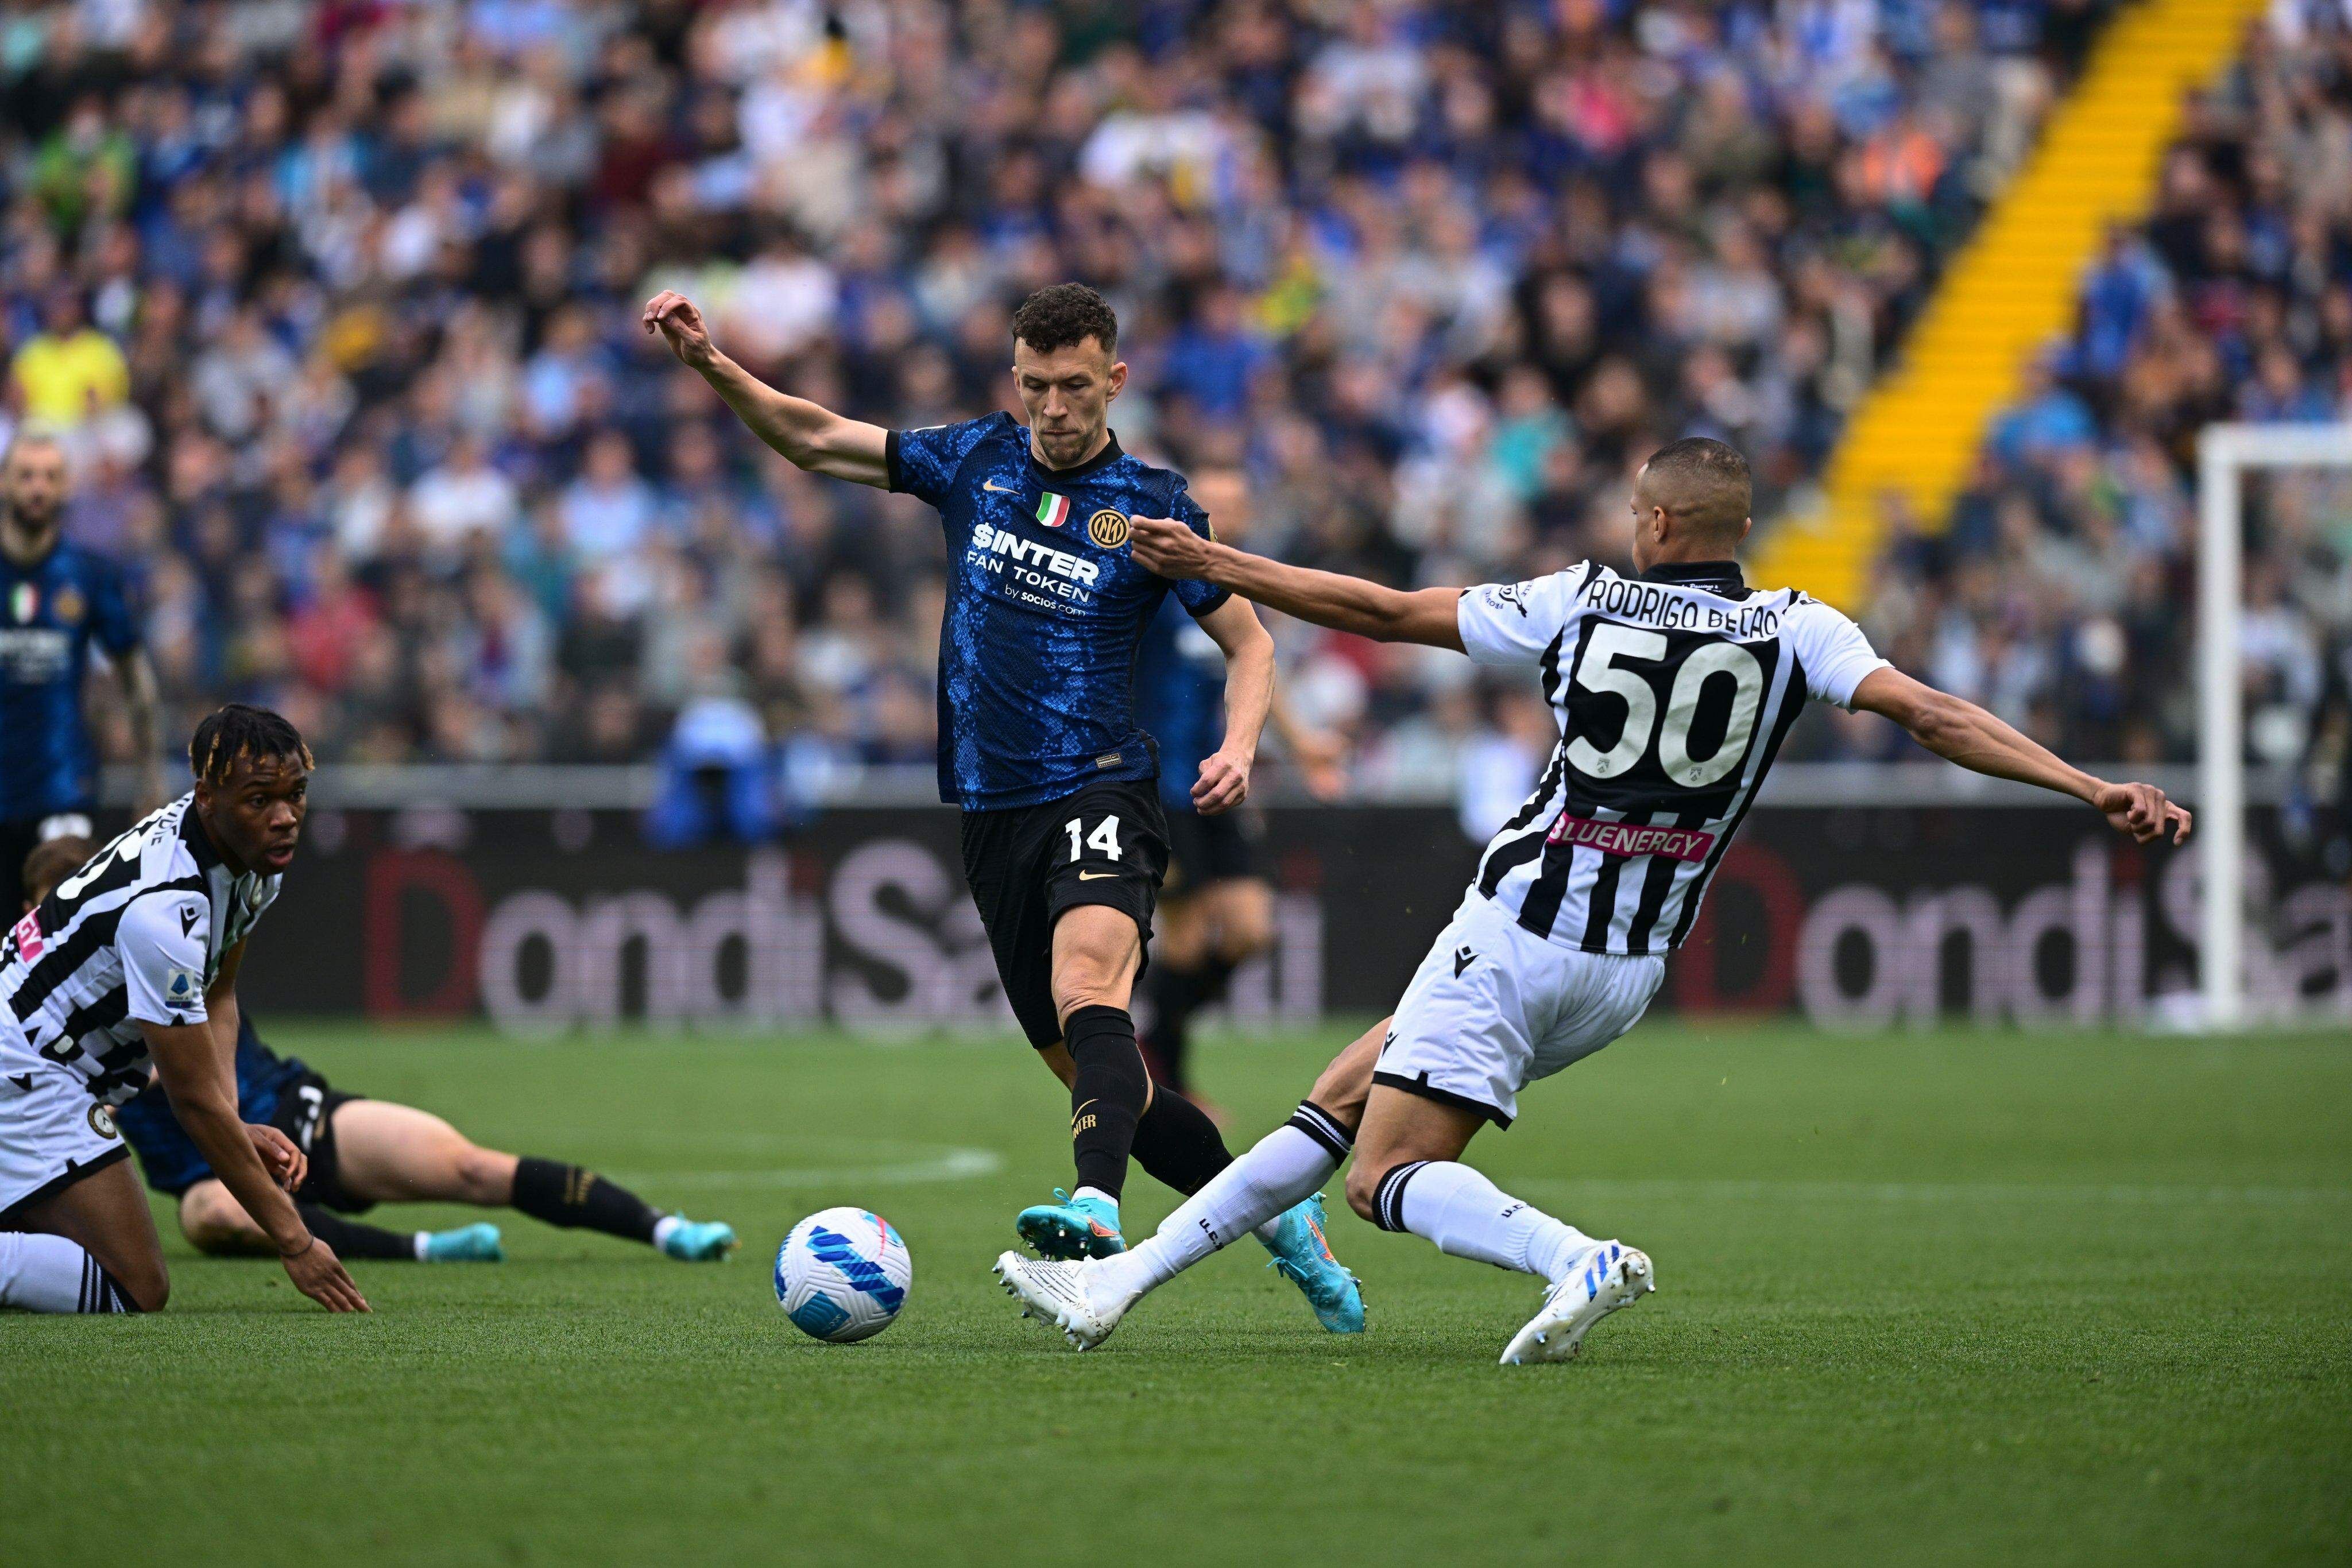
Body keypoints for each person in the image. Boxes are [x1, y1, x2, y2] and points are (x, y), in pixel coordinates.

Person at [994, 438, 2192, 1361]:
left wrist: (1217, 565)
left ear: (1658, 523)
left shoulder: (1583, 600)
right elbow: (1933, 715)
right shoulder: (1797, 629)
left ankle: (1577, 1259)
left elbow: (1379, 610)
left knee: (1379, 1177)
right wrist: (2083, 785)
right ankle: (1115, 1285)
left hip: (1516, 929)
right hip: (1624, 973)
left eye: (1636, 511)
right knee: (1338, 1096)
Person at [643, 280, 1359, 1331]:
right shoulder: (971, 460)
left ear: (1113, 380)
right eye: (1035, 386)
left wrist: (1241, 745)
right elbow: (809, 439)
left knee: (1088, 985)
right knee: (1114, 1084)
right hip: (990, 812)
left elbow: (1247, 641)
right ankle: (1282, 1220)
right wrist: (711, 364)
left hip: (1104, 782)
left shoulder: (1155, 501)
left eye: (1074, 387)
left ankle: (1093, 1209)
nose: (1054, 409)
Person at [18, 837, 736, 1270]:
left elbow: (217, 1013)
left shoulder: (169, 931)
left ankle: (666, 1229)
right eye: (48, 909)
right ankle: (423, 1248)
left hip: (298, 1117)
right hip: (217, 1174)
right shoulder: (48, 1023)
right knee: (209, 1216)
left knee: (469, 1165)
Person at [0, 704, 366, 1313]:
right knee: (136, 1286)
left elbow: (218, 992)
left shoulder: (248, 858)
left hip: (42, 1061)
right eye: (259, 799)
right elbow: (189, 1098)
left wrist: (234, 1120)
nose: (285, 817)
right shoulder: (163, 912)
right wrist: (295, 1240)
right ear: (206, 797)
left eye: (296, 793)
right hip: (26, 1065)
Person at [1132, 463, 1345, 1108]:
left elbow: (1249, 665)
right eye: (1209, 504)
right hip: (1161, 788)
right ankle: (1171, 1082)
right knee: (1189, 938)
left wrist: (1303, 743)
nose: (1220, 515)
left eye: (1233, 504)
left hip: (1220, 777)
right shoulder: (1156, 584)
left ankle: (1150, 1037)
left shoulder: (1231, 589)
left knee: (1251, 930)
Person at [0, 428, 164, 913]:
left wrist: (150, 779)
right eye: (26, 475)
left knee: (62, 936)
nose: (38, 488)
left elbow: (136, 678)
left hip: (63, 786)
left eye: (50, 476)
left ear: (67, 487)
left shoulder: (88, 574)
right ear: (5, 483)